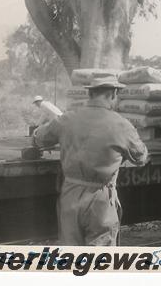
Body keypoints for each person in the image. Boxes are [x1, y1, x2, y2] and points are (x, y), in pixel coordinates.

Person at [33, 76, 148, 246]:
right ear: (113, 94)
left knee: (71, 256)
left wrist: (39, 132)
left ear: (90, 93)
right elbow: (141, 157)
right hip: (100, 200)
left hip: (70, 194)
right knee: (99, 262)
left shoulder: (66, 119)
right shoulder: (122, 125)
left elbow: (40, 138)